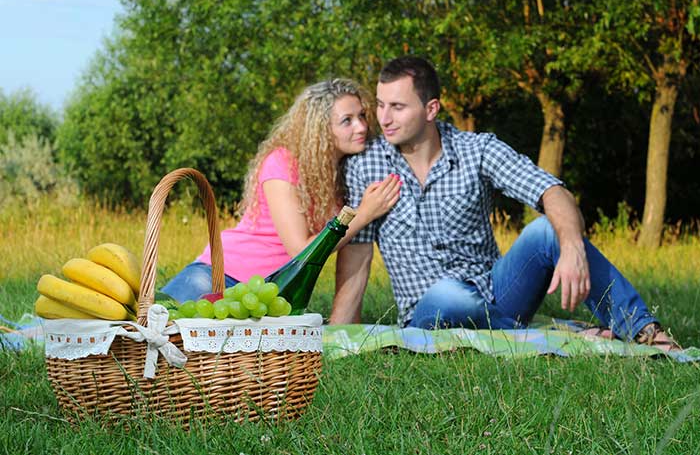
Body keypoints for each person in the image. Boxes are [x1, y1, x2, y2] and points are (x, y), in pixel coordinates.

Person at [329, 56, 680, 352]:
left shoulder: (477, 150)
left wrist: (571, 246)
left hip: (497, 291)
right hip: (428, 313)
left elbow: (552, 192)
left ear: (431, 108)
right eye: (380, 104)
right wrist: (339, 333)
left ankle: (643, 330)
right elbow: (356, 255)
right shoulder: (366, 164)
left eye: (397, 107)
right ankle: (539, 334)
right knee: (446, 293)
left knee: (547, 229)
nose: (384, 118)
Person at [162, 78, 401, 301]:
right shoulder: (284, 163)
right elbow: (300, 250)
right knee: (148, 330)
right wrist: (364, 214)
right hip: (219, 277)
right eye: (346, 121)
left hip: (268, 293)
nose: (361, 127)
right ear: (318, 129)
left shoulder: (343, 170)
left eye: (362, 116)